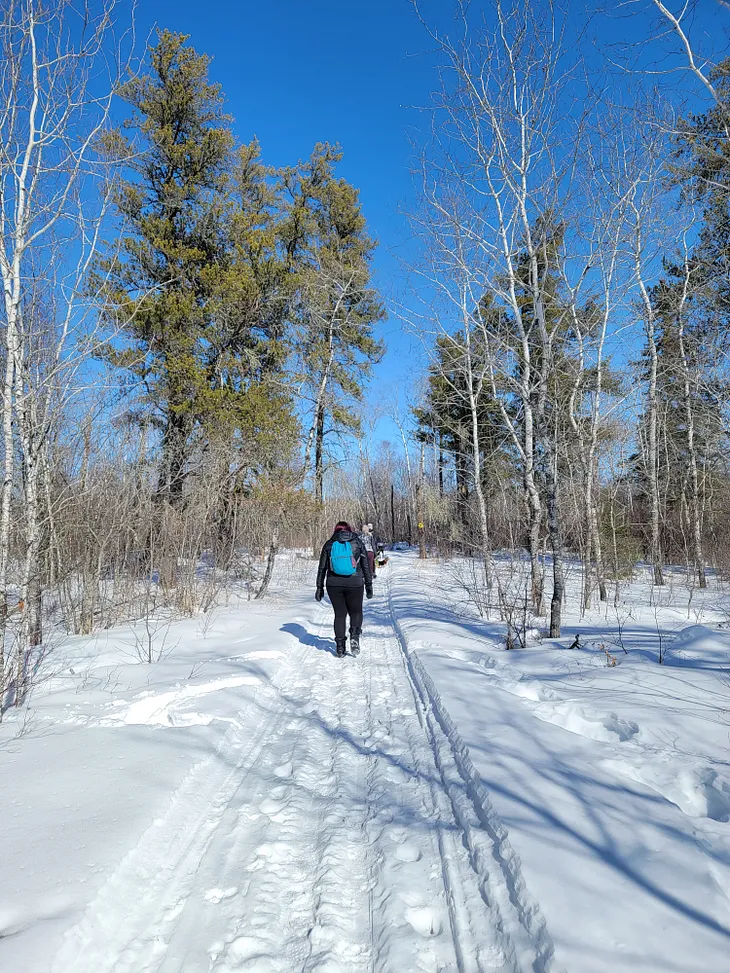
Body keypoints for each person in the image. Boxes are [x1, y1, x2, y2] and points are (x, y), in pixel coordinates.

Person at [316, 521, 373, 658]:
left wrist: (319, 587)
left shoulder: (329, 544)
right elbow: (365, 565)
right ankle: (354, 635)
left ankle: (340, 647)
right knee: (356, 611)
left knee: (340, 615)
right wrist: (369, 585)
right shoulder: (357, 542)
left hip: (333, 583)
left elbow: (322, 567)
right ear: (349, 530)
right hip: (355, 582)